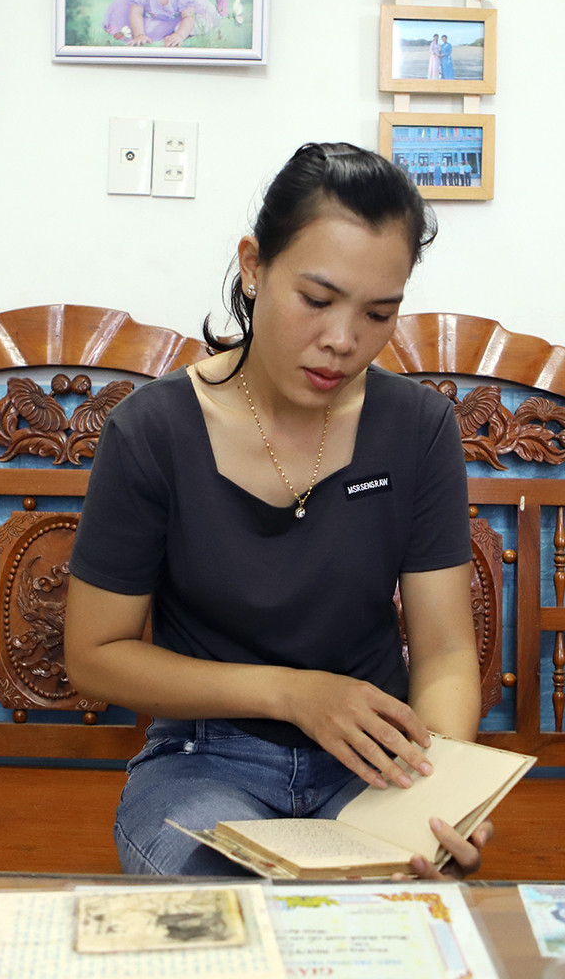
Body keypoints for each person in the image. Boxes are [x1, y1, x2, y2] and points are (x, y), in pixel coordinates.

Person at [65, 142, 490, 879]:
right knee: (224, 907)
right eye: (317, 300)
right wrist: (294, 694)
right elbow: (94, 656)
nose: (343, 341)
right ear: (254, 266)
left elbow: (446, 651)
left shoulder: (417, 428)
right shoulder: (153, 431)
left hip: (375, 759)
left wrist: (442, 791)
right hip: (203, 758)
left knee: (395, 905)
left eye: (378, 313)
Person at [102, 0, 219, 47]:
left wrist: (180, 35)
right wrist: (139, 34)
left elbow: (188, 16)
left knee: (198, 22)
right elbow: (136, 13)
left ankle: (184, 30)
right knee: (130, 21)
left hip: (178, 18)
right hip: (151, 20)